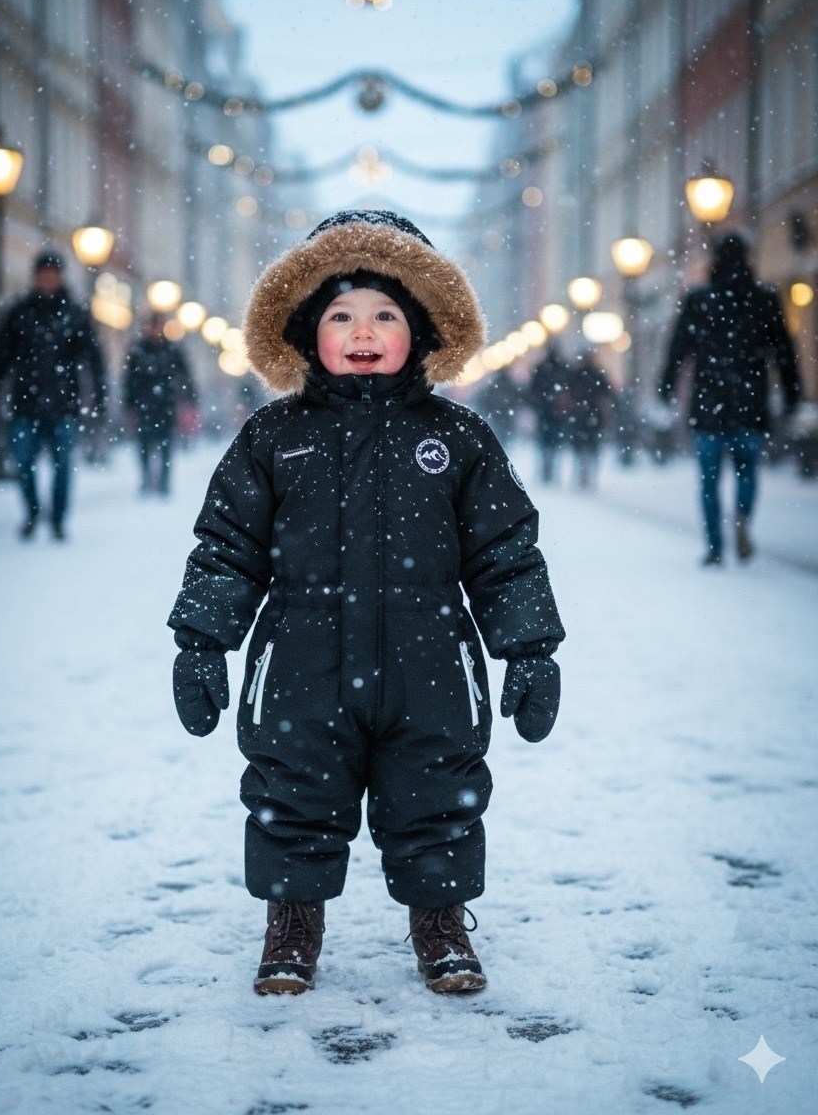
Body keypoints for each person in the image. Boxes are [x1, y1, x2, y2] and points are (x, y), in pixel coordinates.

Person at [167, 211, 565, 996]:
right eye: (341, 315)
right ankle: (292, 923)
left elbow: (504, 551)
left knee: (437, 792)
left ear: (419, 334)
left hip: (430, 665)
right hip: (301, 663)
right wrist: (202, 639)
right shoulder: (274, 437)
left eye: (386, 315)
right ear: (306, 333)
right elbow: (227, 544)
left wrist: (529, 648)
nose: (363, 331)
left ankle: (440, 923)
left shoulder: (456, 438)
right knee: (292, 791)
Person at [659, 232, 801, 565]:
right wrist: (793, 392)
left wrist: (666, 386)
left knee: (709, 479)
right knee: (746, 470)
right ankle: (742, 514)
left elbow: (677, 350)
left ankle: (714, 546)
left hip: (708, 401)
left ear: (715, 260)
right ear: (748, 259)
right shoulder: (764, 298)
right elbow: (784, 351)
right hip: (749, 400)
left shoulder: (699, 300)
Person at [0, 250, 106, 541]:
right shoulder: (19, 312)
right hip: (25, 402)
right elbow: (1, 358)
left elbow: (94, 359)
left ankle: (58, 518)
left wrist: (99, 394)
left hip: (63, 404)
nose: (48, 280)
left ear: (60, 277)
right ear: (36, 277)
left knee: (62, 464)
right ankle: (32, 511)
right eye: (43, 275)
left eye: (53, 274)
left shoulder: (75, 315)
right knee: (24, 462)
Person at [122, 311, 198, 496]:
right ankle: (147, 478)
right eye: (150, 326)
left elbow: (186, 377)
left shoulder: (171, 350)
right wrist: (129, 406)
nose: (153, 330)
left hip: (166, 406)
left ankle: (163, 481)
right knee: (144, 445)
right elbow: (129, 381)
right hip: (144, 406)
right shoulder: (137, 350)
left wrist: (189, 401)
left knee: (165, 445)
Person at [527, 340, 575, 484]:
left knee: (545, 443)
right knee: (555, 442)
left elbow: (532, 391)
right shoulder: (562, 369)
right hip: (556, 412)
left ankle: (547, 470)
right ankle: (551, 470)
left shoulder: (542, 368)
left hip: (546, 412)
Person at [567, 344, 612, 490]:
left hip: (585, 415)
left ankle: (585, 477)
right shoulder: (594, 374)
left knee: (584, 448)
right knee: (589, 448)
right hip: (588, 415)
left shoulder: (579, 374)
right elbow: (607, 393)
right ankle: (586, 477)